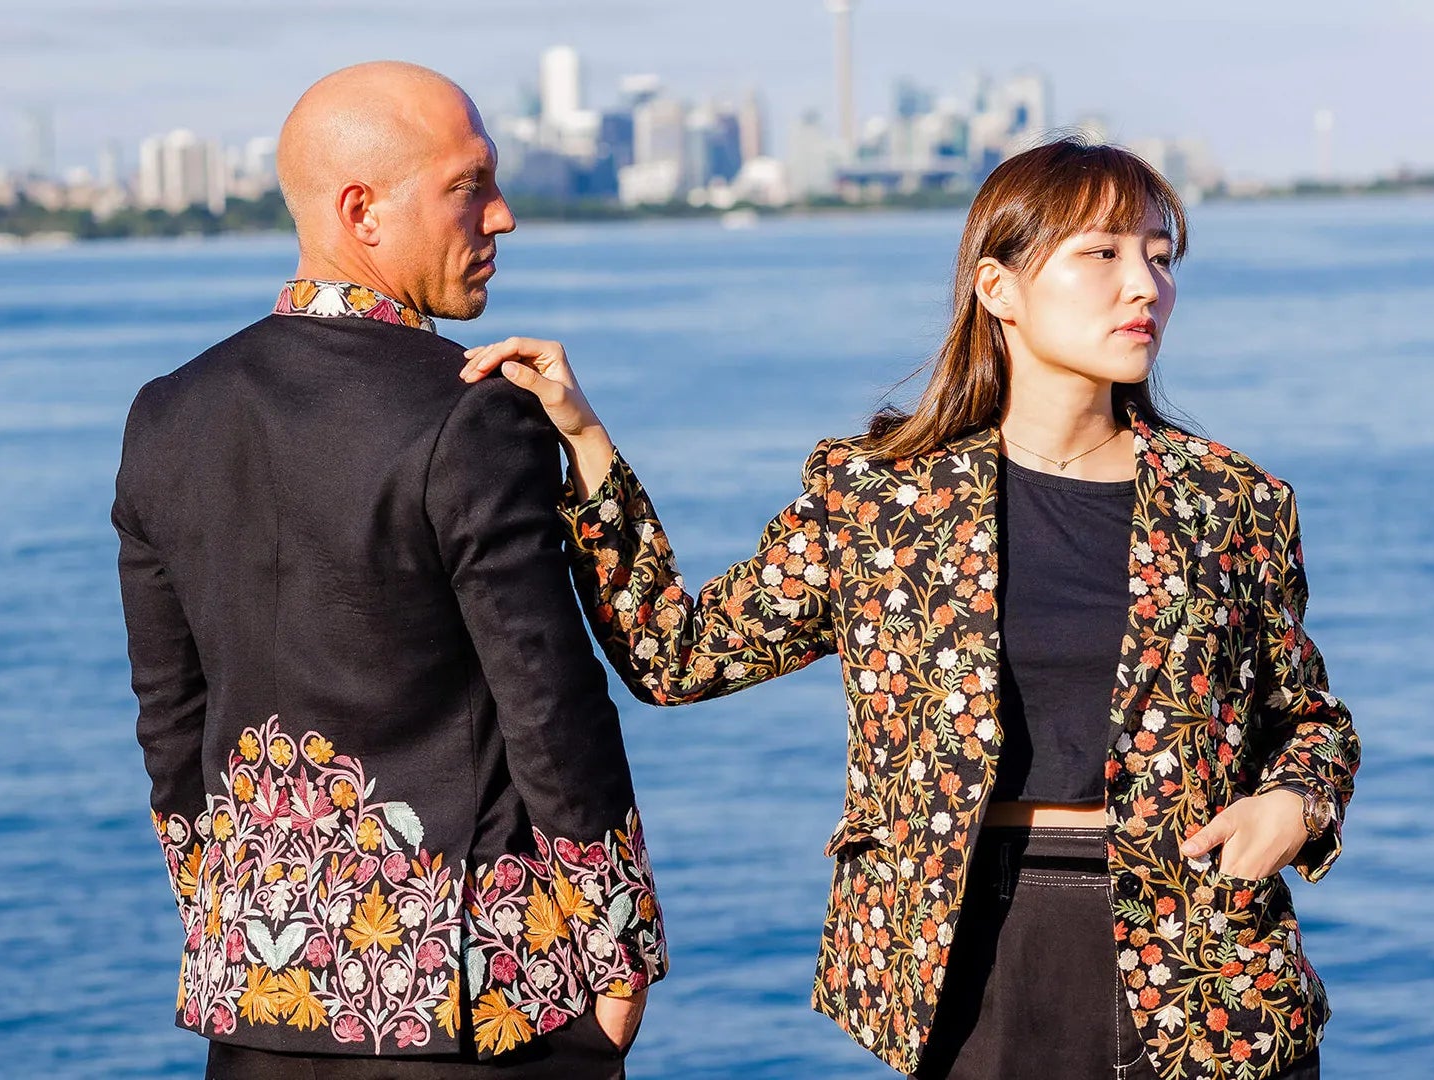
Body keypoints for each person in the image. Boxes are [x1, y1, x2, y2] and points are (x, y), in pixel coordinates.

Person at [461, 136, 1358, 1079]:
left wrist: (1295, 804)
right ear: (997, 287)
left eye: (1160, 257)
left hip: (1204, 964)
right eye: (1102, 253)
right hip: (968, 956)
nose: (1144, 287)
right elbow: (675, 656)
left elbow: (1309, 720)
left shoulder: (1229, 502)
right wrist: (586, 441)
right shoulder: (881, 500)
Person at [113, 62, 662, 1080]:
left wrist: (230, 926)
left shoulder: (165, 414)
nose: (501, 216)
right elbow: (548, 704)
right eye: (468, 186)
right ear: (361, 210)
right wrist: (620, 955)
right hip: (478, 1005)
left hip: (260, 1009)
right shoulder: (471, 413)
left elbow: (170, 717)